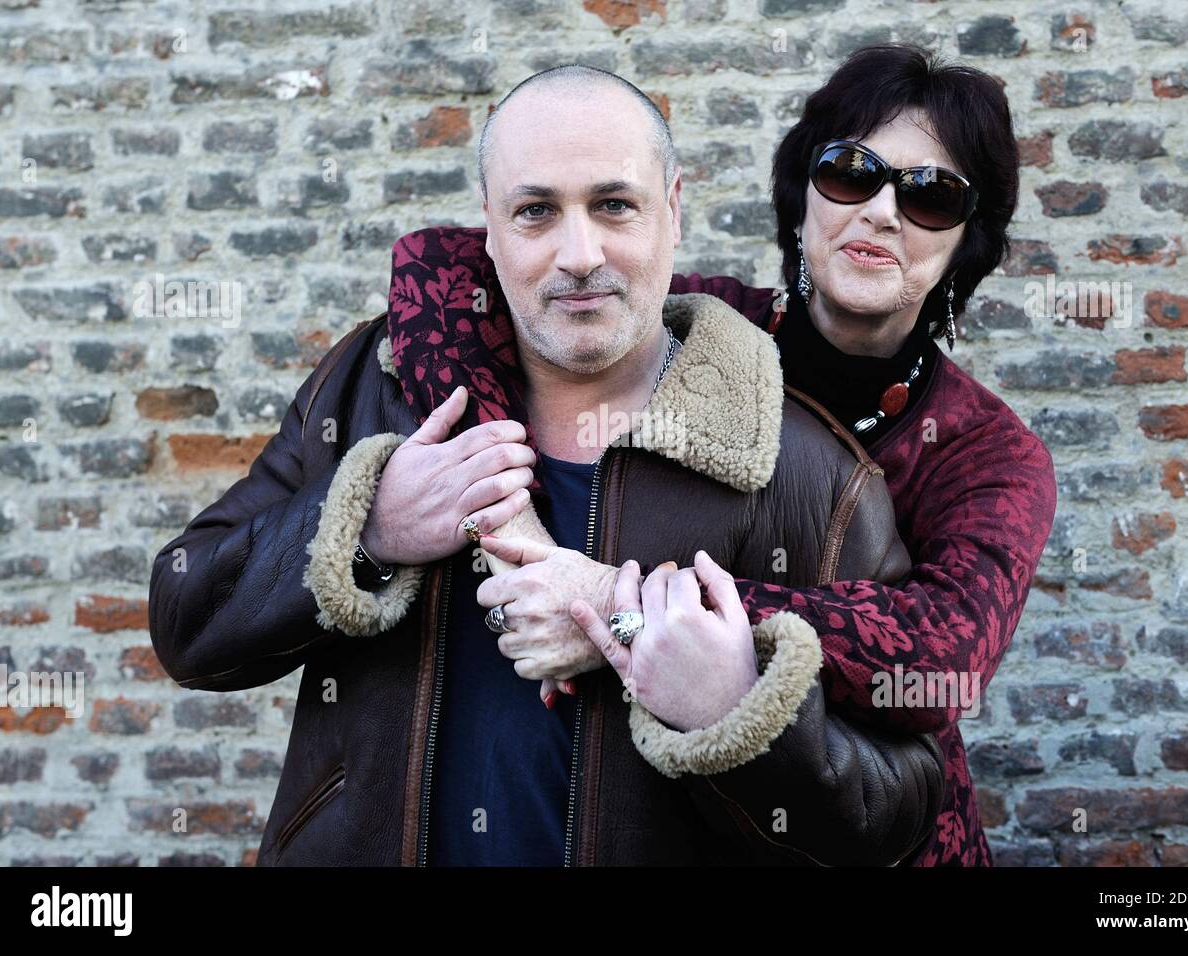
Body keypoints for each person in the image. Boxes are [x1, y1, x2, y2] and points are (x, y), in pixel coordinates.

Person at [148, 63, 943, 866]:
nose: (578, 253)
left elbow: (897, 815)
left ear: (672, 209)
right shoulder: (372, 387)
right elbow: (187, 620)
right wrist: (369, 526)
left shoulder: (806, 471)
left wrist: (732, 706)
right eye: (536, 212)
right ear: (489, 228)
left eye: (613, 205)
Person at [403, 45, 1058, 867]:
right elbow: (433, 266)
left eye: (932, 195)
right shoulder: (702, 331)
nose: (884, 212)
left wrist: (621, 605)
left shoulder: (988, 453)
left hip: (873, 818)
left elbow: (944, 652)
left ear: (968, 241)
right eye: (851, 173)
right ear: (800, 197)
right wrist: (510, 513)